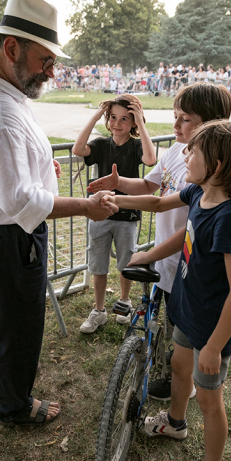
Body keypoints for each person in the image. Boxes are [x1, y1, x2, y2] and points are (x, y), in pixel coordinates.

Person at [0, 0, 116, 427]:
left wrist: (41, 162)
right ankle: (14, 405)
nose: (52, 70)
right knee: (21, 320)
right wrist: (86, 205)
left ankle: (8, 391)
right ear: (11, 48)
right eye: (46, 59)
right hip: (8, 233)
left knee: (15, 311)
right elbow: (21, 201)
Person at [102, 120, 231, 461]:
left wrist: (215, 345)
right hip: (188, 310)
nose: (185, 153)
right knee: (177, 366)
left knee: (210, 402)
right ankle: (175, 422)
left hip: (213, 328)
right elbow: (160, 206)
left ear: (219, 165)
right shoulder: (199, 192)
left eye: (194, 151)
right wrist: (115, 200)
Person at [88, 82, 231, 399]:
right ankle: (170, 368)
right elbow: (150, 188)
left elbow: (196, 228)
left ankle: (177, 379)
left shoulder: (208, 169)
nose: (175, 125)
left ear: (210, 123)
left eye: (185, 119)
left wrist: (152, 251)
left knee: (179, 325)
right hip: (167, 258)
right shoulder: (175, 152)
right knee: (167, 318)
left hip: (187, 264)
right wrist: (118, 184)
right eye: (175, 116)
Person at [72, 94, 156, 333]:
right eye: (113, 118)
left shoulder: (136, 145)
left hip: (127, 217)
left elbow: (150, 159)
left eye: (125, 119)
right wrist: (98, 114)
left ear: (133, 123)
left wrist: (141, 121)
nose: (118, 123)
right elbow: (78, 148)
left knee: (125, 262)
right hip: (100, 214)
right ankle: (99, 311)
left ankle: (124, 302)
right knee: (98, 264)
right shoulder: (100, 145)